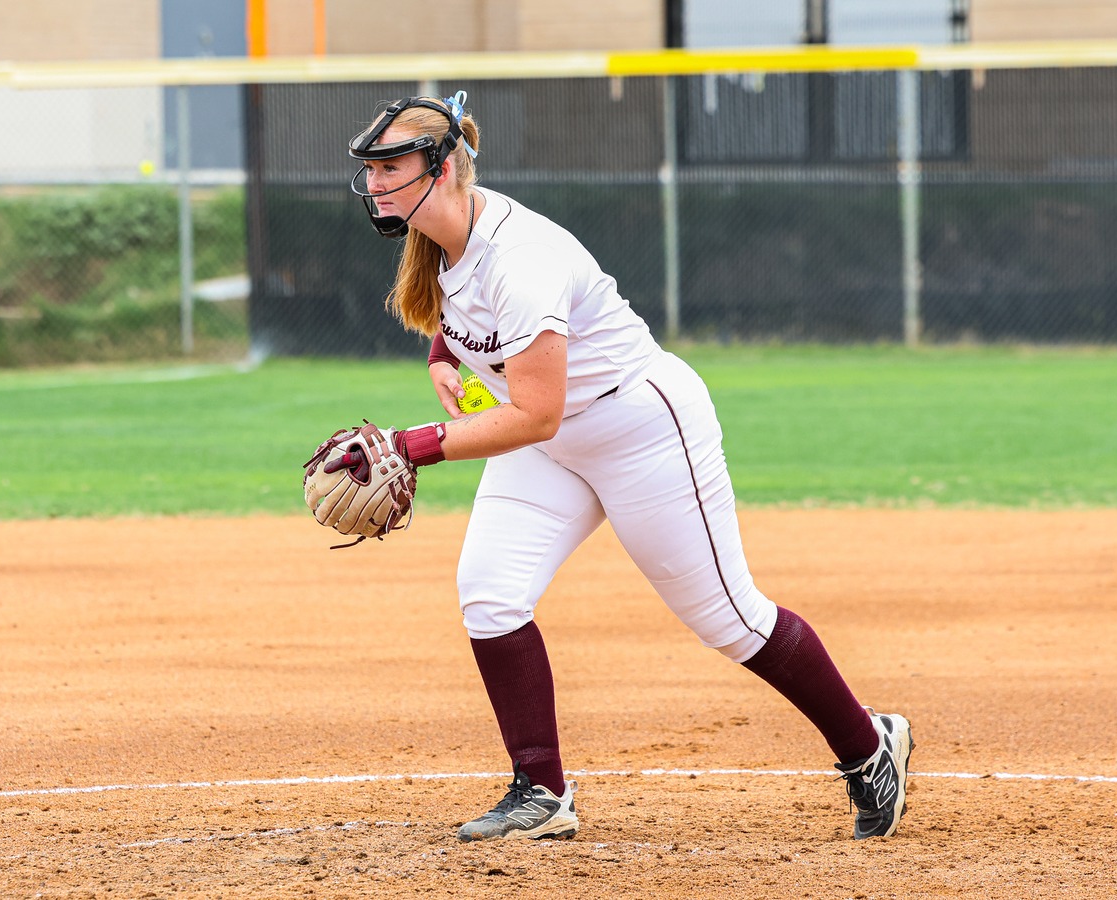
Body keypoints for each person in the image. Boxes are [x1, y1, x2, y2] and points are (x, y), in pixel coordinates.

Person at [341, 90, 913, 842]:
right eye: (372, 168)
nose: (376, 181)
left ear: (444, 169)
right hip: (550, 446)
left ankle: (869, 748)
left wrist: (409, 446)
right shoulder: (445, 235)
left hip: (640, 430)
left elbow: (536, 409)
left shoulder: (525, 258)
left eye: (392, 165)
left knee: (730, 619)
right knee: (490, 595)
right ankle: (541, 794)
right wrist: (445, 351)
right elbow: (474, 321)